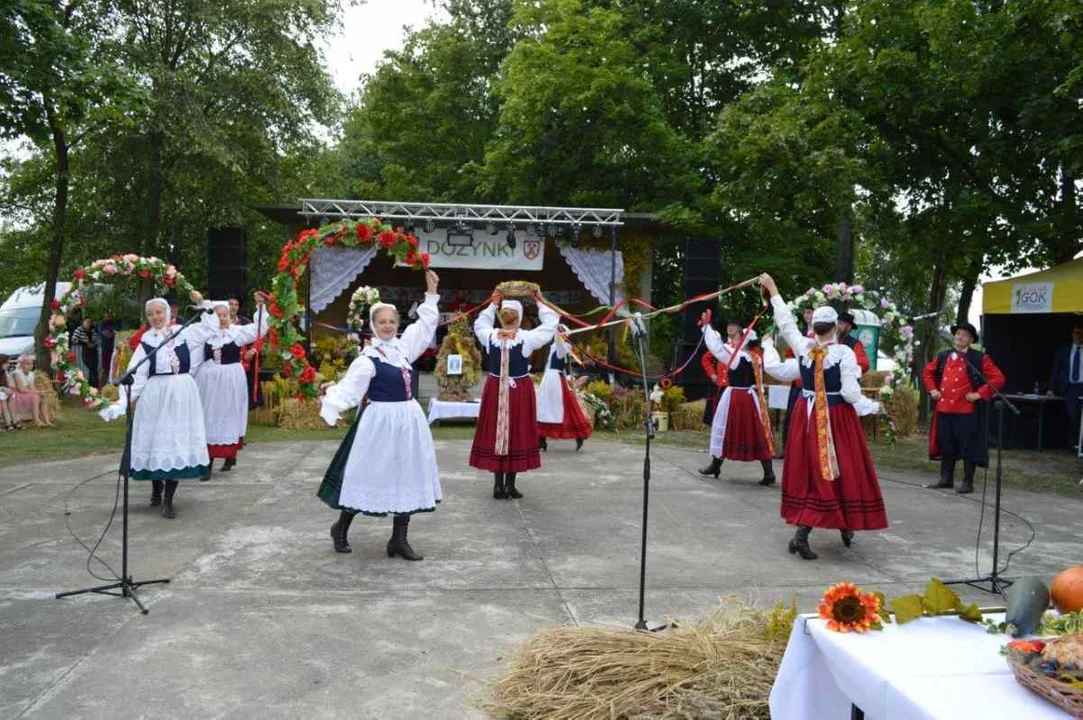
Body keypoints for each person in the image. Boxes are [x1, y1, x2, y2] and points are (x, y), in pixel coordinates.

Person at [760, 274, 888, 560]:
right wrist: (874, 407)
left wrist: (773, 290)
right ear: (836, 328)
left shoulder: (805, 347)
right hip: (834, 418)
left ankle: (842, 526)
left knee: (816, 471)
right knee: (836, 469)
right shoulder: (843, 352)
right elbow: (851, 393)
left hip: (805, 419)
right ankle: (806, 533)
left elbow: (784, 328)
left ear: (813, 327)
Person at [317, 270, 443, 561]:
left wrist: (431, 294)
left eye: (391, 321)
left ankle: (398, 540)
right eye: (381, 322)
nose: (387, 326)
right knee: (367, 474)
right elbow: (350, 389)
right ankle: (341, 528)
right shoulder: (368, 359)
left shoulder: (403, 349)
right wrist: (330, 403)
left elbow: (425, 327)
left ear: (397, 324)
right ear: (373, 326)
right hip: (379, 424)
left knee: (407, 476)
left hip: (408, 422)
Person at [100, 292, 220, 519]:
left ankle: (168, 500)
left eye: (158, 312)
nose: (155, 317)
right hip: (156, 396)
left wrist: (202, 302)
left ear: (167, 312)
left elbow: (211, 327)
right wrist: (121, 403)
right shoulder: (146, 342)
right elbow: (137, 377)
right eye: (150, 314)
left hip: (182, 395)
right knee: (157, 440)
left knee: (175, 442)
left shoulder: (183, 333)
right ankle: (156, 490)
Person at [470, 292, 558, 500]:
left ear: (501, 316)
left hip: (495, 389)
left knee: (497, 433)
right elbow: (551, 323)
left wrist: (492, 304)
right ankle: (509, 485)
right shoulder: (527, 338)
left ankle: (498, 485)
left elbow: (479, 323)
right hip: (518, 390)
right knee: (516, 433)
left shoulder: (490, 335)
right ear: (519, 317)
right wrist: (540, 302)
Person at [923, 321, 1006, 494]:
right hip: (944, 408)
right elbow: (928, 373)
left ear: (970, 340)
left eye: (965, 335)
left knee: (968, 447)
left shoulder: (979, 358)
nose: (960, 337)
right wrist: (933, 390)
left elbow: (998, 378)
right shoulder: (943, 355)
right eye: (958, 334)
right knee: (946, 445)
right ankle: (946, 479)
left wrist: (979, 394)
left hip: (966, 411)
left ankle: (968, 482)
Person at [193, 293, 269, 478]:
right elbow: (195, 359)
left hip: (230, 381)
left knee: (227, 415)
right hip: (209, 382)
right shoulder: (206, 335)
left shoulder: (236, 333)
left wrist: (260, 308)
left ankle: (229, 454)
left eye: (225, 315)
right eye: (218, 315)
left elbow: (259, 329)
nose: (222, 318)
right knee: (208, 417)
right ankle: (207, 463)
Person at [697, 317, 777, 486]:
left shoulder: (737, 358)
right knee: (757, 431)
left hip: (736, 397)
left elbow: (717, 348)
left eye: (738, 338)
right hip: (751, 397)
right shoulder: (757, 357)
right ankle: (768, 472)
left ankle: (715, 465)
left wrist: (706, 328)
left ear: (744, 341)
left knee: (726, 428)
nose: (734, 340)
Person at [537, 325, 593, 451]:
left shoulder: (563, 347)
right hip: (549, 379)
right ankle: (541, 438)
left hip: (555, 380)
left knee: (567, 406)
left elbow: (558, 341)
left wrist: (556, 328)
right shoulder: (556, 347)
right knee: (543, 408)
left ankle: (579, 434)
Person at [779, 307, 815, 457]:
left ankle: (806, 451)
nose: (808, 315)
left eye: (811, 312)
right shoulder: (798, 334)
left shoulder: (826, 335)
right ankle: (787, 449)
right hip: (798, 382)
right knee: (790, 417)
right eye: (806, 312)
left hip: (814, 384)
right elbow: (788, 354)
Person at [700, 319, 740, 425]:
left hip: (734, 386)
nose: (730, 328)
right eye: (729, 325)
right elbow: (705, 359)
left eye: (734, 325)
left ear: (739, 329)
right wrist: (712, 373)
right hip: (720, 385)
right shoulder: (720, 345)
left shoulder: (742, 347)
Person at [1051, 318, 1083, 448]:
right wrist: (1051, 388)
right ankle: (1074, 442)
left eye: (1081, 333)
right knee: (1072, 415)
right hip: (1070, 388)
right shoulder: (1064, 350)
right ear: (1072, 334)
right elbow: (1056, 370)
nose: (1079, 336)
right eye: (1076, 333)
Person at [10, 355, 54, 427]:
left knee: (43, 396)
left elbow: (32, 387)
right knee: (35, 397)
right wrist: (37, 393)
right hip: (16, 392)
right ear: (21, 364)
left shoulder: (31, 374)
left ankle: (46, 420)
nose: (30, 366)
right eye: (27, 364)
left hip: (25, 391)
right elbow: (21, 389)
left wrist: (40, 391)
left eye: (31, 364)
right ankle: (36, 420)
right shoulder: (17, 373)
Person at [72, 317, 101, 388]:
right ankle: (93, 385)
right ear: (83, 322)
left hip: (94, 350)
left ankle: (93, 385)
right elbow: (74, 340)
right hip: (86, 350)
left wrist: (94, 344)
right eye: (87, 322)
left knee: (94, 368)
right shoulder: (79, 330)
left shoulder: (93, 330)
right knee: (91, 368)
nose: (88, 323)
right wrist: (85, 343)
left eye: (90, 322)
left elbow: (97, 339)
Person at [98, 311, 121, 386]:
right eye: (107, 316)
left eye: (109, 316)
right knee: (105, 368)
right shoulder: (102, 324)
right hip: (105, 349)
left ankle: (112, 385)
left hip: (114, 349)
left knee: (115, 367)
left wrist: (112, 333)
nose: (108, 317)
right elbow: (105, 333)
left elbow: (117, 331)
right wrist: (111, 333)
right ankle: (102, 385)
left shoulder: (114, 323)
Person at [0, 355, 21, 431]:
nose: (8, 365)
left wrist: (7, 389)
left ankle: (14, 421)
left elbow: (7, 384)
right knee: (3, 397)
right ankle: (7, 423)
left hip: (2, 390)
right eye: (6, 363)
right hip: (1, 391)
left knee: (10, 396)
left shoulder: (4, 372)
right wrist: (3, 388)